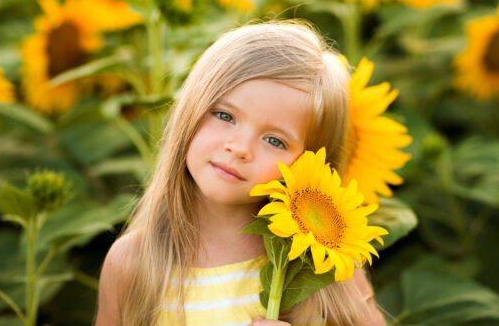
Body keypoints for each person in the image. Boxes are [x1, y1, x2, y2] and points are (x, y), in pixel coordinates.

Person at [95, 20, 385, 326]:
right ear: (191, 109)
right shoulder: (134, 264)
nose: (240, 147)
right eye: (225, 115)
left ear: (309, 164)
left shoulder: (323, 267)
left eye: (274, 140)